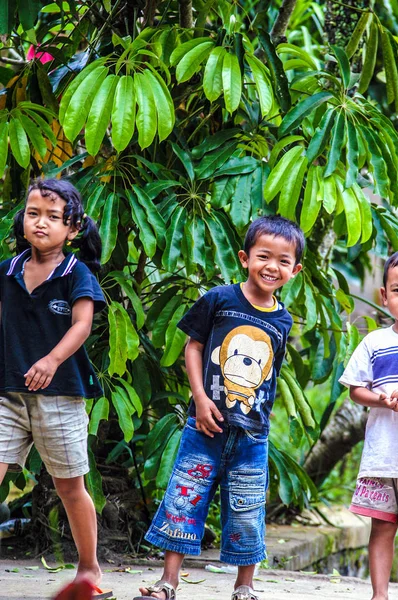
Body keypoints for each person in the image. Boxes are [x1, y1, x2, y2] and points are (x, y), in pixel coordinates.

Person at [134, 215, 304, 600]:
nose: (271, 267)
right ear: (245, 258)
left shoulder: (282, 319)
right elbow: (193, 347)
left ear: (295, 270)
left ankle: (245, 587)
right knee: (184, 498)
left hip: (252, 435)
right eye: (264, 256)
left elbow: (269, 372)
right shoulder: (218, 299)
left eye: (282, 260)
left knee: (247, 508)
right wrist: (200, 398)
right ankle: (168, 582)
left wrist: (265, 409)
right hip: (204, 427)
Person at [0, 179, 112, 599]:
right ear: (21, 220)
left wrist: (51, 360)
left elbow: (82, 325)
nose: (40, 223)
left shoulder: (75, 273)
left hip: (61, 395)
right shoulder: (7, 271)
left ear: (74, 227)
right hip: (7, 393)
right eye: (33, 213)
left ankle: (89, 568)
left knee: (69, 486)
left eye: (52, 216)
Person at [339, 251, 398, 600]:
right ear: (384, 296)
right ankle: (380, 595)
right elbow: (356, 390)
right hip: (383, 456)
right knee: (381, 526)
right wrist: (382, 399)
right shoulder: (374, 342)